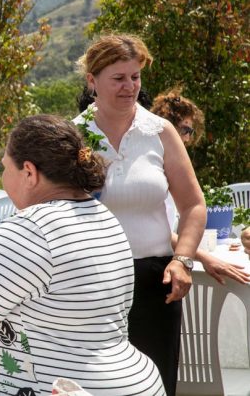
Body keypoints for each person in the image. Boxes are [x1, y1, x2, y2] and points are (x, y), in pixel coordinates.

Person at [0, 114, 164, 395]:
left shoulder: (33, 225)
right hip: (127, 381)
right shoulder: (102, 217)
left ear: (29, 172)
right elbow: (53, 294)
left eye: (5, 168)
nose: (3, 178)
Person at [73, 34, 206, 395]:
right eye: (118, 78)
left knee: (155, 384)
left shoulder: (160, 132)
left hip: (155, 282)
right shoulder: (72, 137)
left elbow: (193, 205)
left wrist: (183, 260)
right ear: (92, 80)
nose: (129, 86)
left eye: (135, 77)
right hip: (90, 285)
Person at [151, 89, 249, 285]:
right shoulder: (153, 172)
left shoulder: (168, 166)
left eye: (191, 131)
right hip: (156, 267)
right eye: (185, 129)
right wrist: (203, 257)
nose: (187, 138)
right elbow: (157, 231)